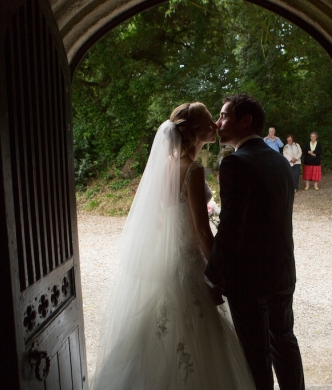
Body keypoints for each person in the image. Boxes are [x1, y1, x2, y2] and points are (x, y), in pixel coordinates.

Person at [92, 102, 256, 390]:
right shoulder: (192, 171)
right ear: (193, 132)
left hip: (169, 263)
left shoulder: (165, 167)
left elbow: (160, 221)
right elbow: (203, 234)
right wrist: (220, 274)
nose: (215, 126)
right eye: (208, 123)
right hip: (190, 264)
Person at [205, 94, 305, 390]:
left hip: (250, 280)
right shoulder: (280, 161)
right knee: (284, 342)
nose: (217, 122)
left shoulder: (235, 163)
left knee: (256, 355)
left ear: (245, 121)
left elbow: (232, 227)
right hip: (283, 271)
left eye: (223, 116)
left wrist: (214, 275)